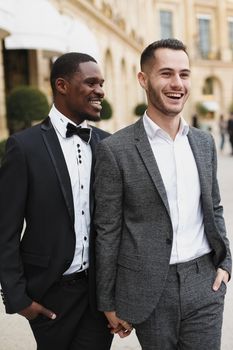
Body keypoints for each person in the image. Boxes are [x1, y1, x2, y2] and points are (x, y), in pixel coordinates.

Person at [94, 39, 232, 350]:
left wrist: (225, 265)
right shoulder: (116, 150)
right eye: (166, 73)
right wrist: (108, 300)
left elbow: (215, 207)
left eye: (184, 74)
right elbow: (107, 229)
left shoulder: (203, 142)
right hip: (149, 289)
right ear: (143, 79)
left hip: (204, 281)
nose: (177, 84)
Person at [0, 52, 113, 350]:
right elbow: (5, 229)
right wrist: (18, 298)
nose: (100, 90)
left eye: (101, 83)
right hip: (51, 294)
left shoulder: (108, 144)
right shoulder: (23, 147)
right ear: (61, 85)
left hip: (98, 296)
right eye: (90, 82)